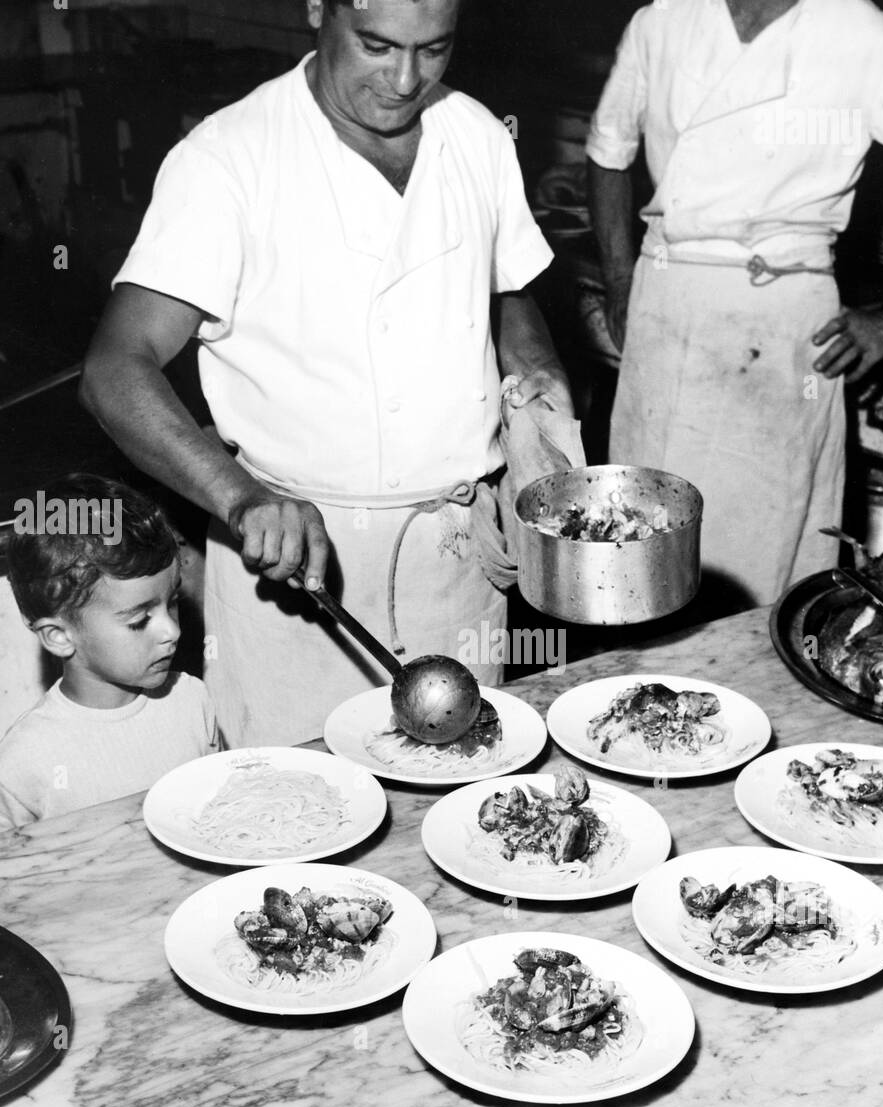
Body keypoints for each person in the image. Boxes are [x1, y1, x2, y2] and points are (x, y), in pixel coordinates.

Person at [80, 0, 572, 748]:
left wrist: (536, 391)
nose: (405, 79)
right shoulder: (229, 156)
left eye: (432, 49)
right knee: (292, 822)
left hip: (456, 554)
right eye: (376, 45)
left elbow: (504, 291)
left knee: (461, 809)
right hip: (294, 571)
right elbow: (115, 369)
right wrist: (241, 499)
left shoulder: (475, 133)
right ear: (317, 9)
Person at [587, 0, 883, 611]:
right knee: (640, 551)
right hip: (664, 307)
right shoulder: (661, 18)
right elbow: (607, 151)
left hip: (777, 323)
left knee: (752, 567)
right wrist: (620, 279)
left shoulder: (862, 33)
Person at [0, 475, 220, 830]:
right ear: (58, 636)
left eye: (173, 602)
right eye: (139, 620)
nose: (173, 631)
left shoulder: (192, 700)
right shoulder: (24, 760)